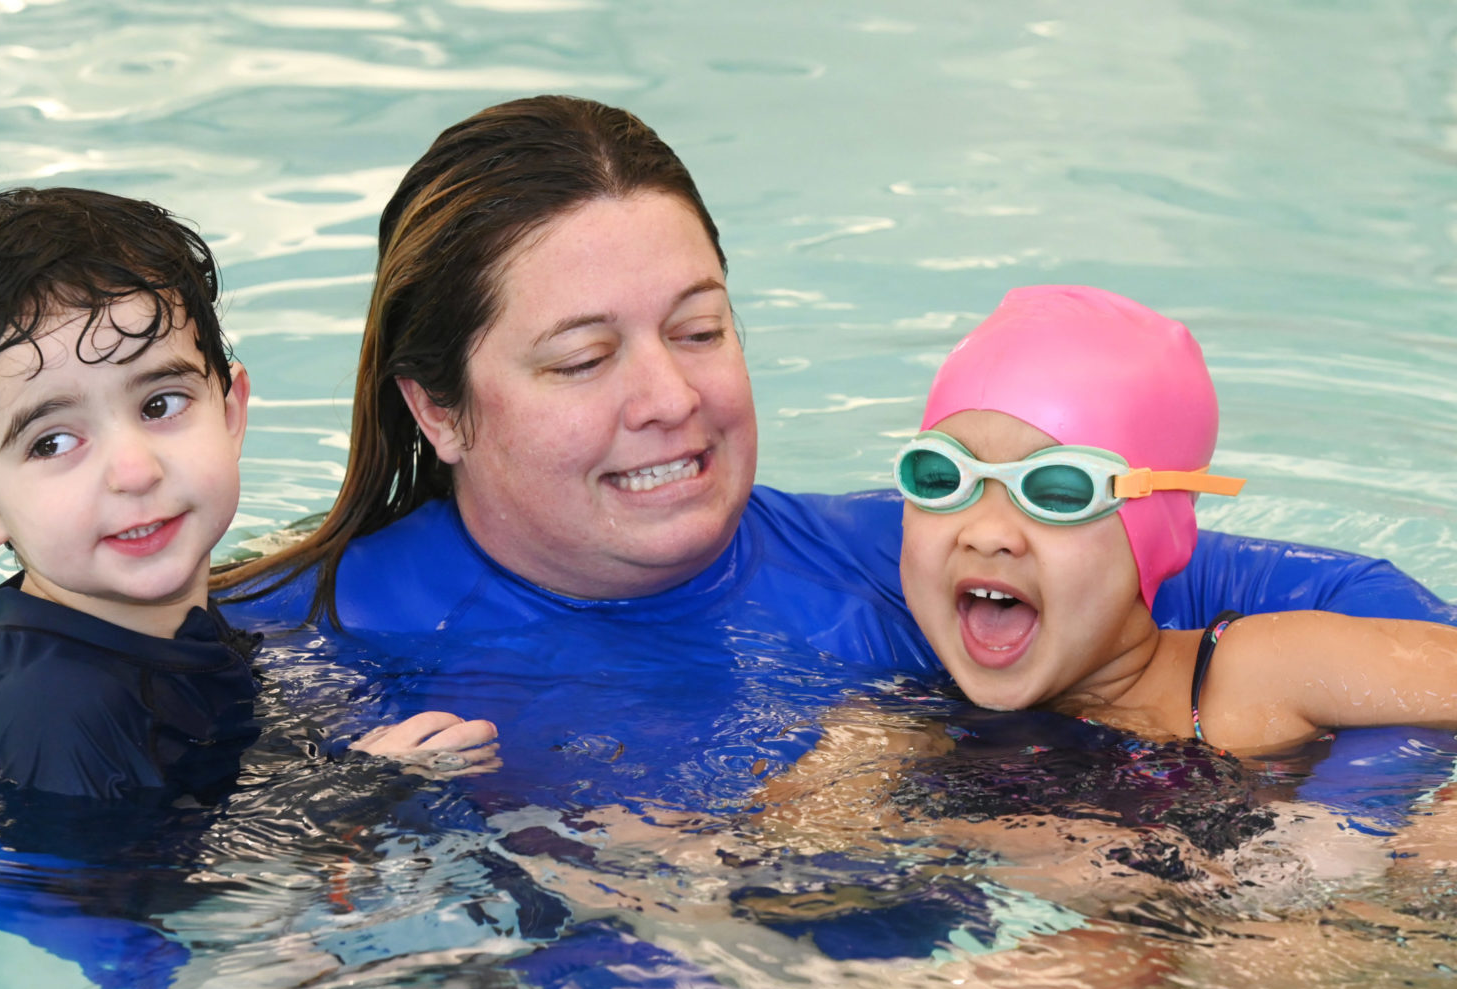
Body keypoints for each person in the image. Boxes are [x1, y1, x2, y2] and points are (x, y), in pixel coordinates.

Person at [221, 94, 1455, 814]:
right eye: (584, 359)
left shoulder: (915, 553)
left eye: (700, 330)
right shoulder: (282, 637)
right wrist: (330, 812)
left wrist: (1340, 835)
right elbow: (94, 872)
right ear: (438, 410)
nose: (671, 399)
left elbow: (1371, 620)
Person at [0, 186, 492, 802]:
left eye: (159, 404)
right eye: (53, 443)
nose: (134, 472)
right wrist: (351, 793)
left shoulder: (145, 626)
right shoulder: (61, 717)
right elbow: (133, 894)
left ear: (230, 413)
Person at [896, 284, 1457, 749]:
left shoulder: (1253, 674)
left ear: (1157, 532)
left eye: (1060, 492)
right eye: (942, 477)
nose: (987, 532)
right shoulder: (894, 728)